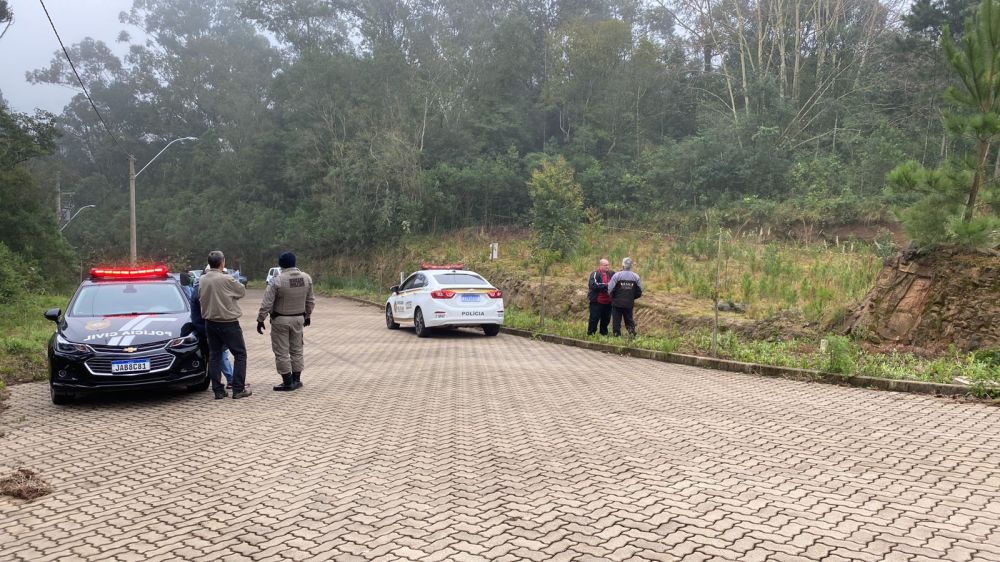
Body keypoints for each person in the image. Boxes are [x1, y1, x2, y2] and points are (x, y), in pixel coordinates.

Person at [256, 252, 315, 392]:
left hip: (280, 320)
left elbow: (267, 303)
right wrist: (307, 316)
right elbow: (311, 301)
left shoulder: (277, 280)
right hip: (299, 319)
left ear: (281, 264)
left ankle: (287, 382)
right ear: (294, 262)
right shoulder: (306, 278)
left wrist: (260, 319)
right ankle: (297, 380)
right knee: (297, 349)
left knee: (282, 351)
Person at [199, 250, 251, 400]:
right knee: (240, 354)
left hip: (210, 323)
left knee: (214, 356)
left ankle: (218, 390)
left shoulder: (202, 279)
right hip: (228, 323)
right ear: (222, 262)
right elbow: (241, 292)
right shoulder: (227, 279)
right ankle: (238, 389)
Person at [185, 270, 235, 389]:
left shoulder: (200, 287)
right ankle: (229, 380)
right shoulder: (201, 290)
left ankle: (226, 381)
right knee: (219, 354)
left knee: (218, 354)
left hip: (206, 327)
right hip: (208, 327)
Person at [607, 257, 643, 337]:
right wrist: (631, 297)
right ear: (631, 265)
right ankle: (632, 335)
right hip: (629, 303)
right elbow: (640, 291)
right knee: (629, 320)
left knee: (616, 321)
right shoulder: (636, 276)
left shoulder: (617, 275)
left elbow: (609, 289)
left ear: (622, 265)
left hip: (617, 303)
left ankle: (616, 336)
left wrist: (613, 297)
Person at [587, 258, 615, 336]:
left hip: (608, 302)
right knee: (594, 319)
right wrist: (606, 285)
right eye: (605, 265)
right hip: (597, 301)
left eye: (608, 265)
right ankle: (591, 334)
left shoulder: (612, 273)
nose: (607, 266)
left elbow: (616, 281)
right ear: (600, 266)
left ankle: (603, 335)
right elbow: (593, 285)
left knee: (606, 319)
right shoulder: (595, 273)